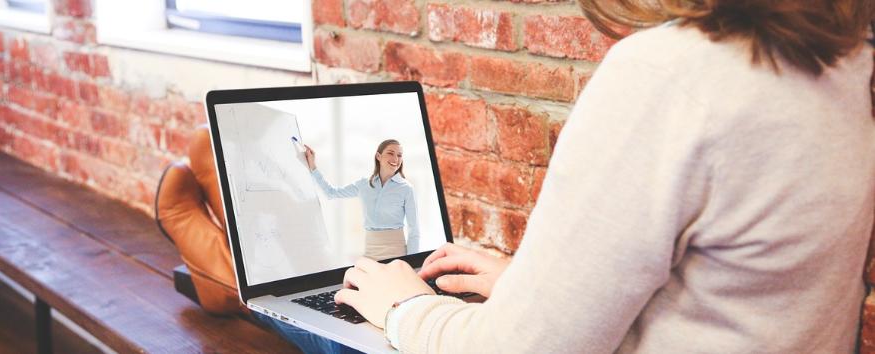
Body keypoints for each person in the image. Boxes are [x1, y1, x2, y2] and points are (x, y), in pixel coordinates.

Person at [332, 1, 875, 353]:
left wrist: (406, 308)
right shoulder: (853, 63)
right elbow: (740, 295)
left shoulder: (669, 75)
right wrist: (540, 292)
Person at [304, 139, 420, 260]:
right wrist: (313, 167)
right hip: (370, 252)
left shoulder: (406, 189)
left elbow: (414, 230)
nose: (396, 159)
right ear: (378, 156)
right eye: (390, 153)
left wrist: (412, 262)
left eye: (399, 155)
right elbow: (331, 193)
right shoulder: (364, 184)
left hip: (397, 252)